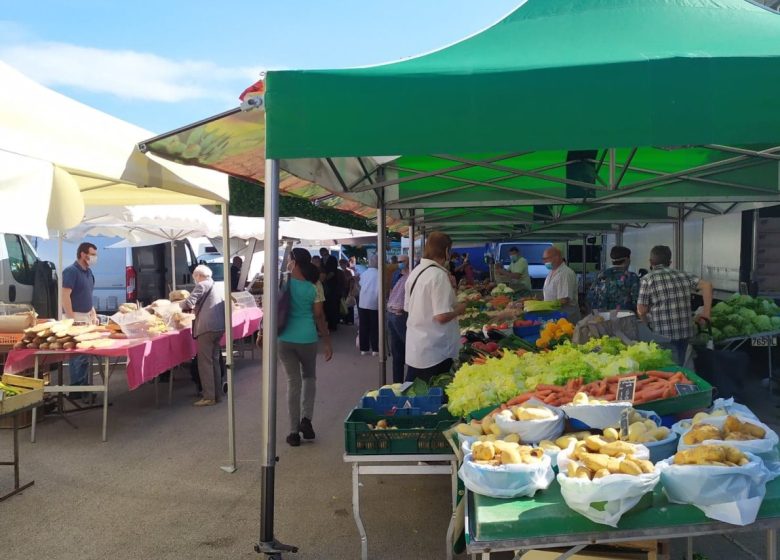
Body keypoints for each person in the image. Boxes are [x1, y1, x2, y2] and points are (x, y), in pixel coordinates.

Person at [278, 248, 332, 446]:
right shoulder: (315, 284)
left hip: (284, 339)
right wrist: (327, 341)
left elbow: (272, 307)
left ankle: (293, 432)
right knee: (309, 377)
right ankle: (306, 419)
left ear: (294, 262)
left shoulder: (283, 283)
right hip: (308, 338)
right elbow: (319, 315)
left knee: (293, 382)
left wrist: (262, 333)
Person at [404, 232, 467, 382]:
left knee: (417, 395)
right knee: (433, 395)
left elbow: (408, 307)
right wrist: (459, 309)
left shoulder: (415, 272)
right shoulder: (438, 275)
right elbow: (441, 316)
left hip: (417, 348)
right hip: (435, 352)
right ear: (446, 251)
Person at [637, 245, 713, 366]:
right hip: (684, 331)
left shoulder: (648, 279)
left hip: (661, 334)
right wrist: (706, 313)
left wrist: (646, 325)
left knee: (666, 368)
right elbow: (707, 286)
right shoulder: (683, 275)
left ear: (651, 262)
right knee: (681, 364)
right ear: (670, 262)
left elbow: (642, 310)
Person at [181, 265, 226, 407]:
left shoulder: (201, 285)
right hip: (219, 326)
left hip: (206, 328)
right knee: (214, 360)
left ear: (199, 276)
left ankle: (208, 397)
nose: (195, 279)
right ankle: (217, 394)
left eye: (195, 276)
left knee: (205, 363)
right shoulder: (216, 285)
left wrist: (177, 305)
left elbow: (189, 303)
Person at [61, 242, 98, 399]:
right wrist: (71, 318)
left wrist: (93, 313)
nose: (94, 258)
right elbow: (65, 295)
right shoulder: (71, 271)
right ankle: (77, 391)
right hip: (75, 316)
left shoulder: (89, 273)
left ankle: (83, 388)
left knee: (85, 355)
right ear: (83, 254)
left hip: (87, 316)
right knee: (77, 356)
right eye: (92, 254)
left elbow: (88, 295)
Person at [586, 246, 640, 312]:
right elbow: (638, 302)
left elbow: (590, 297)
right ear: (627, 260)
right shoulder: (632, 277)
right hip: (625, 317)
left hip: (603, 317)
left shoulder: (601, 275)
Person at [386, 254, 410, 383]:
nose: (400, 263)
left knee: (408, 349)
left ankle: (409, 381)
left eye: (403, 261)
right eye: (399, 261)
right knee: (397, 351)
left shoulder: (412, 275)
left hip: (403, 315)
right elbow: (391, 290)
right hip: (393, 313)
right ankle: (397, 383)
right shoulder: (396, 274)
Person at [542, 246, 581, 323]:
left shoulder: (565, 273)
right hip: (555, 317)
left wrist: (543, 306)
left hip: (566, 318)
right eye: (543, 259)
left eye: (546, 259)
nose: (544, 262)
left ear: (557, 257)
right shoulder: (551, 272)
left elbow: (564, 300)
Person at [358, 254, 380, 355]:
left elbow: (360, 285)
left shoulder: (364, 273)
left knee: (363, 326)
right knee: (374, 326)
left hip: (363, 303)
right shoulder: (379, 274)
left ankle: (364, 348)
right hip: (375, 303)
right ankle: (375, 349)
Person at [322, 255, 344, 332]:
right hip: (334, 293)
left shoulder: (331, 272)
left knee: (330, 308)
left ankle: (331, 325)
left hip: (331, 293)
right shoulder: (339, 272)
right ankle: (333, 325)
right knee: (333, 309)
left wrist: (324, 280)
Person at [340, 258, 357, 325]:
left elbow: (352, 281)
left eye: (343, 264)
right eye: (341, 264)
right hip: (343, 290)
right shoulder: (341, 271)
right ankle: (344, 319)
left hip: (348, 289)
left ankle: (350, 320)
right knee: (344, 305)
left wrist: (350, 291)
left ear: (346, 264)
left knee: (349, 305)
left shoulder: (349, 271)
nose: (341, 265)